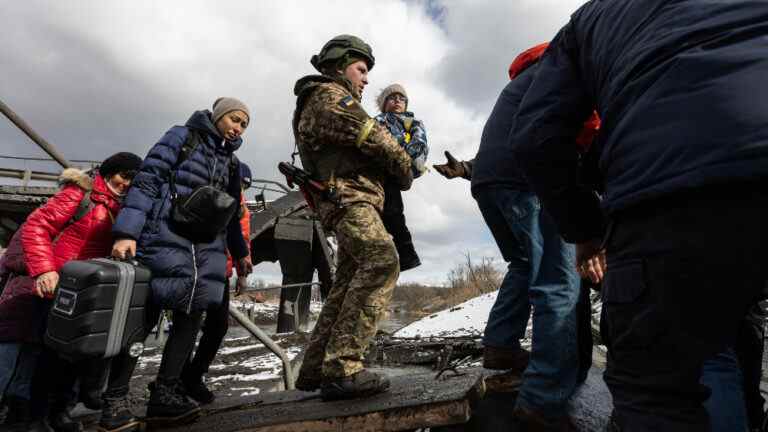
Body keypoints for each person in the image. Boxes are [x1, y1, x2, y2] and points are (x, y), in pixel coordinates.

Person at [510, 1, 768, 430]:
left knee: (665, 383)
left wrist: (587, 231)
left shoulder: (591, 19)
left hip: (667, 196)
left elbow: (535, 138)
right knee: (730, 336)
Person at [434, 43, 598, 430]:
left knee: (524, 264)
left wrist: (466, 169)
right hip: (528, 182)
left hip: (490, 184)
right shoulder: (568, 66)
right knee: (560, 279)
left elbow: (511, 136)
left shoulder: (524, 80)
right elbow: (591, 127)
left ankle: (501, 346)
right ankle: (544, 397)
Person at [107, 98, 252, 429]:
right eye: (234, 119)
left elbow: (230, 214)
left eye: (244, 124)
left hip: (203, 249)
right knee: (144, 318)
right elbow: (148, 179)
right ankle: (114, 399)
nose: (238, 127)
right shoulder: (181, 136)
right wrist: (126, 232)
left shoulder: (231, 162)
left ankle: (165, 395)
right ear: (218, 116)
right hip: (164, 236)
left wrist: (240, 252)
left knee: (192, 315)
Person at [291, 35, 413, 400]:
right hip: (349, 199)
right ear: (339, 65)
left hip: (348, 200)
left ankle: (314, 368)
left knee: (345, 283)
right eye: (361, 69)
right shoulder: (329, 96)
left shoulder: (322, 97)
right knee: (381, 261)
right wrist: (405, 166)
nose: (366, 79)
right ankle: (342, 368)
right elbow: (377, 137)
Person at [0, 153, 142, 432]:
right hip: (55, 286)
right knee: (45, 355)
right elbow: (36, 227)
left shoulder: (124, 209)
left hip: (83, 293)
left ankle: (58, 412)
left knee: (73, 355)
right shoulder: (80, 195)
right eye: (123, 176)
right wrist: (44, 270)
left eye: (132, 180)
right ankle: (34, 417)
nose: (126, 184)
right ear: (108, 171)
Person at [181, 161, 253, 404]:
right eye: (240, 183)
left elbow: (242, 240)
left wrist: (242, 273)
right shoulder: (217, 198)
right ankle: (175, 379)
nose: (242, 189)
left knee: (217, 325)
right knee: (188, 324)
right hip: (202, 268)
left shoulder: (241, 209)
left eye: (244, 185)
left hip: (221, 271)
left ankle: (192, 376)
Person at [374, 83, 428, 271]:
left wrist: (399, 156)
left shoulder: (413, 123)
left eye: (401, 98)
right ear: (384, 103)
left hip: (399, 171)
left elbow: (419, 145)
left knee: (395, 213)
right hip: (379, 172)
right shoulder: (377, 121)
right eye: (392, 98)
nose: (397, 101)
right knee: (381, 214)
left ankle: (407, 256)